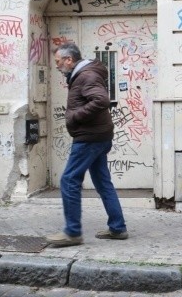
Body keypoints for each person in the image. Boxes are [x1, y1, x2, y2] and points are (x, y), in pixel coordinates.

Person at [46, 42, 128, 247]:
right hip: (99, 135)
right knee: (102, 182)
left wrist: (75, 116)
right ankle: (118, 228)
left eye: (58, 62)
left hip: (89, 137)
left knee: (69, 180)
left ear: (69, 60)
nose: (57, 66)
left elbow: (101, 100)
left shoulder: (86, 76)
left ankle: (72, 232)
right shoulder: (81, 74)